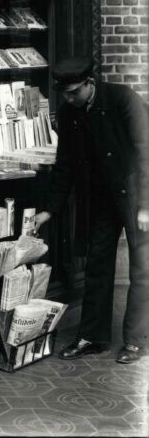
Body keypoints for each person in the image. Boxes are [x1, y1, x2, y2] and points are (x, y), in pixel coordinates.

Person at [34, 56, 149, 363]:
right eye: (65, 94)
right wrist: (49, 210)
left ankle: (136, 340)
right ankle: (92, 336)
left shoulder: (124, 99)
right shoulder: (71, 113)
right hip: (100, 200)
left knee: (142, 268)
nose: (69, 99)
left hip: (135, 196)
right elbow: (65, 166)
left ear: (90, 83)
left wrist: (146, 206)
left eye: (74, 92)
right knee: (97, 266)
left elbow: (146, 153)